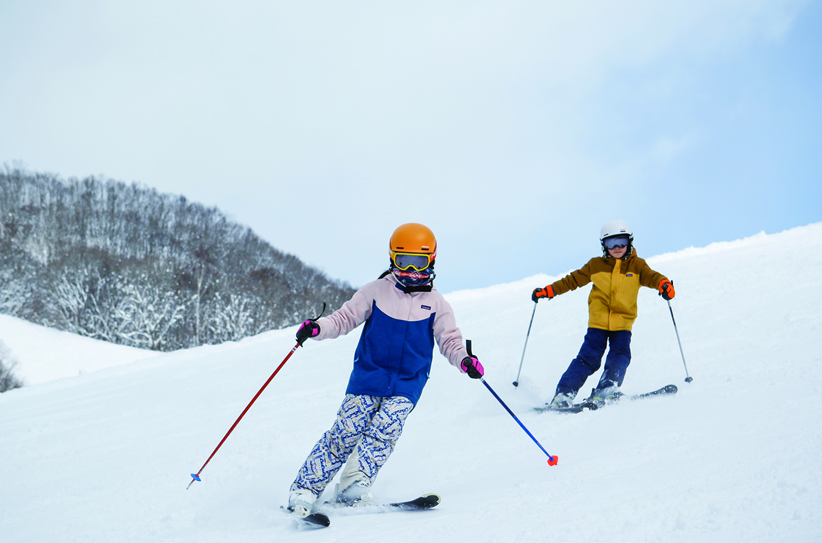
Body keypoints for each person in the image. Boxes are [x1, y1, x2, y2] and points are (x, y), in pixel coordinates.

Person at [286, 223, 485, 517]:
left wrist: (465, 360)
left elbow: (450, 340)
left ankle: (354, 486)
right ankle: (306, 488)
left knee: (385, 430)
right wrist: (318, 328)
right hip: (369, 375)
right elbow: (343, 318)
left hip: (408, 382)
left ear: (431, 260)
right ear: (393, 259)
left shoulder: (436, 304)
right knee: (345, 432)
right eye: (404, 262)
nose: (411, 270)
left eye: (419, 262)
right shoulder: (376, 291)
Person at [531, 220, 675, 408]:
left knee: (620, 355)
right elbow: (572, 280)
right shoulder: (596, 265)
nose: (616, 247)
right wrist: (550, 290)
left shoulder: (638, 266)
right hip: (598, 323)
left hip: (623, 323)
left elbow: (653, 277)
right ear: (603, 245)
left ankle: (607, 389)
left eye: (621, 242)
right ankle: (564, 393)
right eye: (610, 243)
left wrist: (664, 284)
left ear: (629, 243)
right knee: (587, 359)